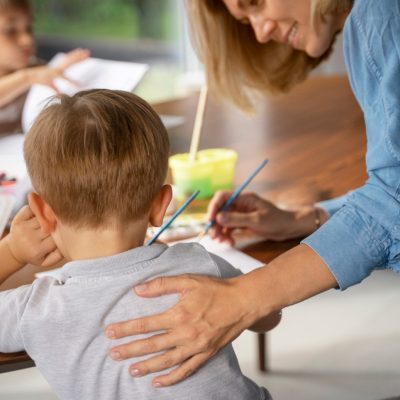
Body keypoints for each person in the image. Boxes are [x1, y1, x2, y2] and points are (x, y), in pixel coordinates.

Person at [104, 0, 400, 390]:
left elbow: (390, 203)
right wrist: (307, 218)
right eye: (246, 21)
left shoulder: (378, 15)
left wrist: (243, 297)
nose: (260, 32)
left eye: (255, 4)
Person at [0, 89, 280, 399]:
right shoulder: (198, 265)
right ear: (161, 205)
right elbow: (267, 314)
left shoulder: (35, 310)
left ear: (41, 213)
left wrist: (12, 251)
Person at [0, 0, 89, 135]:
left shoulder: (36, 67)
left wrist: (60, 69)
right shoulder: (32, 74)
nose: (27, 40)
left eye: (29, 28)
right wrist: (29, 77)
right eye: (10, 30)